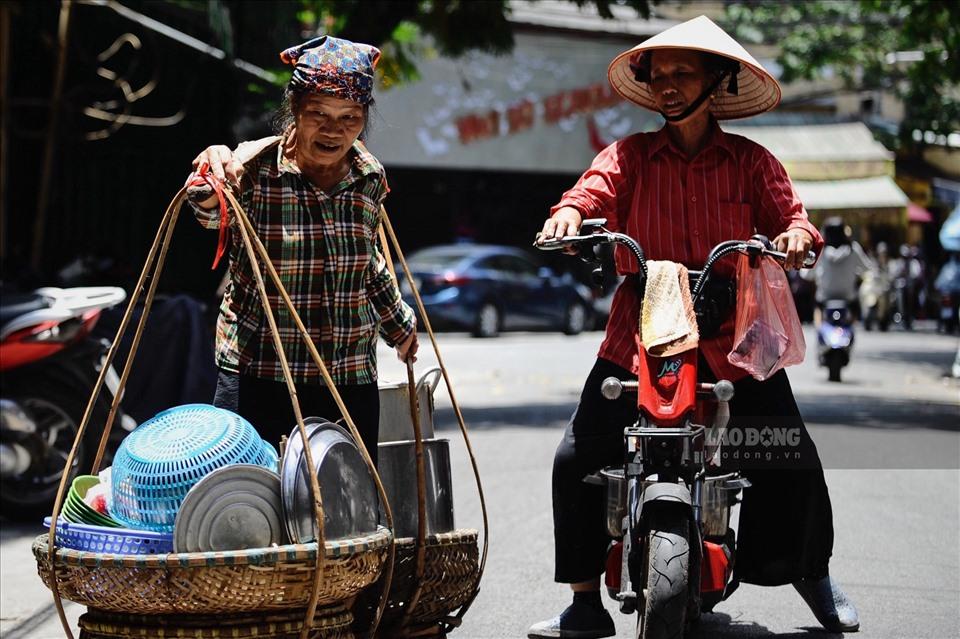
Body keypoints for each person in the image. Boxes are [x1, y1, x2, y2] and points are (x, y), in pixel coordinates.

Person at [530, 16, 859, 638]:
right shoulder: (627, 156)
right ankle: (583, 601)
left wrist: (793, 236)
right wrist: (570, 215)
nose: (669, 85)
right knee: (578, 452)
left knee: (786, 451)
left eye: (685, 73)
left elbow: (795, 219)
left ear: (718, 80)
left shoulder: (752, 161)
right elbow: (590, 192)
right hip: (642, 334)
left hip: (730, 340)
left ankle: (811, 573)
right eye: (661, 76)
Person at [185, 36, 418, 464]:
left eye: (350, 117)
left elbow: (368, 266)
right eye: (319, 114)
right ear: (294, 110)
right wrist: (206, 177)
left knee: (348, 510)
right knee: (256, 510)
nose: (334, 130)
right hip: (262, 375)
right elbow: (210, 210)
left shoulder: (368, 178)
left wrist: (399, 326)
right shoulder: (253, 170)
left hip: (348, 377)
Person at [808, 217, 875, 318]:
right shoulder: (853, 249)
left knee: (817, 308)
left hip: (825, 297)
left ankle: (819, 330)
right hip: (848, 297)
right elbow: (867, 269)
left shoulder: (821, 251)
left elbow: (807, 274)